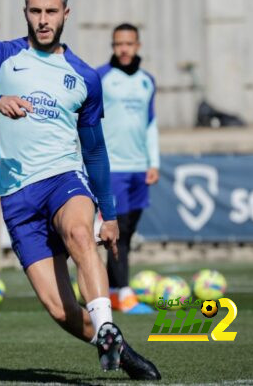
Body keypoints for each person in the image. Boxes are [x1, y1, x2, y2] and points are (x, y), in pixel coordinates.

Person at [0, 0, 160, 381]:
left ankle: (106, 325)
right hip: (14, 194)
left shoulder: (84, 76)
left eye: (51, 11)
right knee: (58, 307)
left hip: (63, 177)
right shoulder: (2, 55)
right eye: (35, 11)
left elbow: (95, 150)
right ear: (25, 12)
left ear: (65, 13)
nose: (43, 20)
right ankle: (115, 343)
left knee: (81, 235)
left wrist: (110, 213)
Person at [97, 24, 160, 314]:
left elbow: (150, 124)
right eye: (118, 44)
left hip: (139, 168)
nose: (123, 49)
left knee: (128, 233)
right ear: (112, 46)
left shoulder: (147, 81)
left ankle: (112, 290)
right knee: (117, 231)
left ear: (138, 45)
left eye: (129, 44)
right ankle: (123, 293)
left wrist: (153, 162)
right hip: (113, 168)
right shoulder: (101, 78)